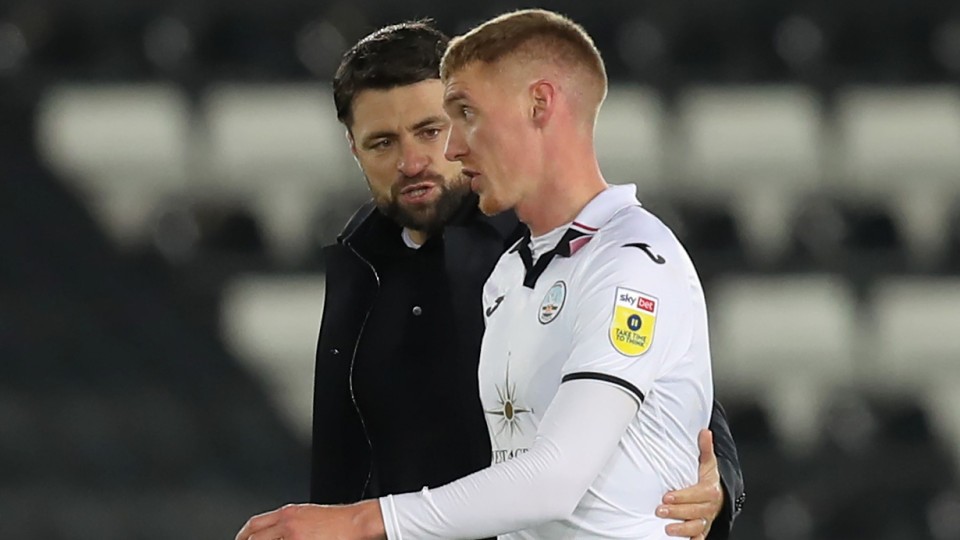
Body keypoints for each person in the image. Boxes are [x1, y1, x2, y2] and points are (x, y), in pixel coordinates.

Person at [239, 14, 743, 540]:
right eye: (383, 142)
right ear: (353, 148)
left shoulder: (547, 244)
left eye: (433, 129)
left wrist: (719, 482)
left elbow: (675, 388)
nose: (415, 161)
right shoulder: (359, 260)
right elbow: (345, 450)